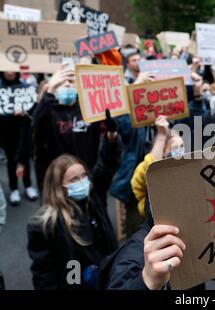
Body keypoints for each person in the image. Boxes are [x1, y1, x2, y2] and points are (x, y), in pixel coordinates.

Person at [27, 111, 121, 290]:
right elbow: (45, 277)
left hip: (109, 280)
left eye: (83, 176)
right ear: (58, 186)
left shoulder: (93, 199)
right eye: (73, 180)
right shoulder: (44, 225)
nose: (82, 182)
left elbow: (106, 165)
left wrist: (111, 136)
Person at [32, 64, 103, 192]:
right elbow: (36, 127)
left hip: (85, 173)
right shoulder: (48, 110)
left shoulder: (88, 108)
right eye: (61, 82)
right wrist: (49, 92)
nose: (67, 85)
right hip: (57, 177)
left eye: (71, 81)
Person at [131, 115, 184, 218]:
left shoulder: (187, 169)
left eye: (182, 146)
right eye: (175, 147)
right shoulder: (144, 168)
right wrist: (161, 136)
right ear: (163, 151)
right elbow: (150, 167)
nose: (180, 151)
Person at [0, 72, 39, 205]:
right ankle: (14, 189)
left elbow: (34, 108)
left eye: (12, 70)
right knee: (11, 160)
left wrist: (25, 112)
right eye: (7, 70)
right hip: (5, 131)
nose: (10, 73)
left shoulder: (25, 87)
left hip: (23, 130)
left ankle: (28, 186)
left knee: (25, 159)